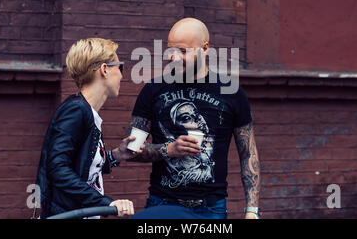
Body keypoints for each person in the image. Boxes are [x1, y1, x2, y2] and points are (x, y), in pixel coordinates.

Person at [129, 18, 261, 219]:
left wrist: (252, 210)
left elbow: (248, 153)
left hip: (210, 209)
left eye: (183, 51)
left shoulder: (231, 93)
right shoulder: (153, 90)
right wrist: (168, 150)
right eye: (170, 50)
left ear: (205, 48)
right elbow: (131, 150)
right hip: (162, 204)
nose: (174, 57)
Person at [35, 38, 143, 218]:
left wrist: (116, 155)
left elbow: (82, 168)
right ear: (105, 69)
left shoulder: (87, 113)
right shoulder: (76, 110)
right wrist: (106, 203)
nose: (123, 76)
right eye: (120, 67)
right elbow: (58, 168)